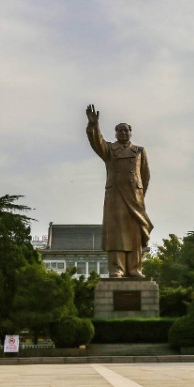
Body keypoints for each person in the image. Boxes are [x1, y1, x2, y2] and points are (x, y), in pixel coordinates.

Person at [85, 104, 153, 278]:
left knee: (134, 234)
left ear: (131, 133)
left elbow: (145, 175)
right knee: (116, 233)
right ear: (115, 134)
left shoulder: (139, 151)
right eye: (120, 131)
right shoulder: (109, 150)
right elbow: (96, 142)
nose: (123, 133)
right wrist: (94, 125)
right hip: (115, 196)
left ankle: (134, 268)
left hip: (134, 198)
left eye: (126, 131)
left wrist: (138, 194)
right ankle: (117, 268)